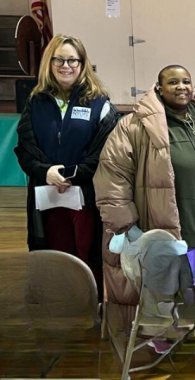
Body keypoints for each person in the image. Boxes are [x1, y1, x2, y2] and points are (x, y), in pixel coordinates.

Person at [94, 65, 195, 336]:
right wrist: (126, 224)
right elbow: (112, 176)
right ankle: (176, 341)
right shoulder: (134, 125)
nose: (181, 87)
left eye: (186, 81)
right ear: (159, 87)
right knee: (179, 289)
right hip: (170, 224)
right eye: (173, 82)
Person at [15, 34, 119, 301]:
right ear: (50, 63)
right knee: (53, 254)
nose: (66, 65)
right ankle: (59, 309)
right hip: (46, 195)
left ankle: (91, 307)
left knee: (87, 254)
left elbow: (103, 154)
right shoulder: (35, 102)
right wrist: (46, 172)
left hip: (85, 197)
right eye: (59, 59)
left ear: (82, 64)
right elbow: (25, 149)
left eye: (72, 59)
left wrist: (70, 176)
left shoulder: (100, 103)